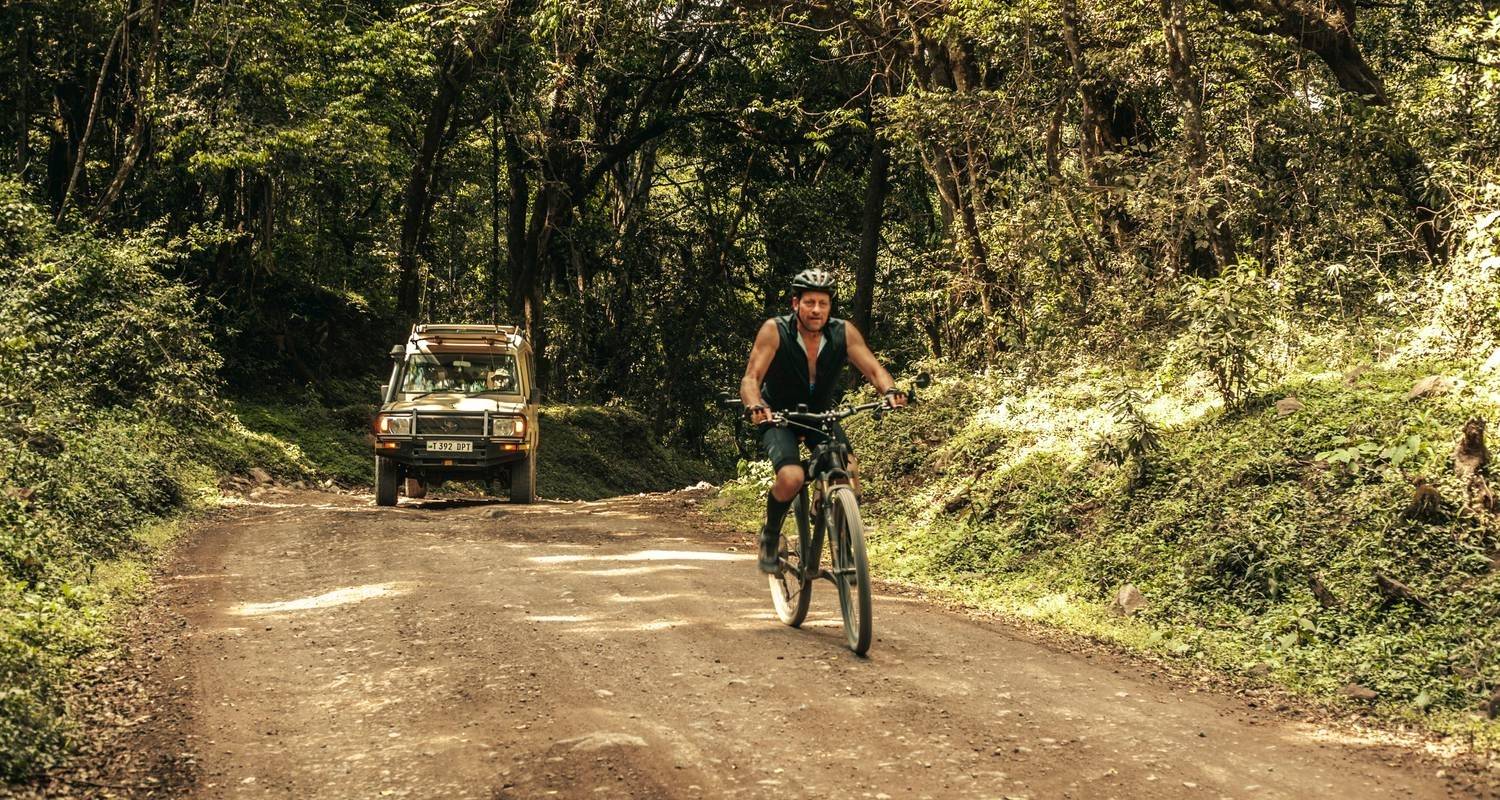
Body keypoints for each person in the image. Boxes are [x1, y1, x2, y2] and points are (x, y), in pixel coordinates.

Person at [739, 268, 906, 574]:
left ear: (830, 307)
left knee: (847, 470)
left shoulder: (843, 332)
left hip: (820, 416)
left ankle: (841, 541)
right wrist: (755, 405)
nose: (816, 309)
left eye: (823, 303)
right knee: (790, 478)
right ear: (795, 304)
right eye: (810, 302)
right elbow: (751, 377)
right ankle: (770, 534)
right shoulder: (775, 331)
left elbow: (873, 369)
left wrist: (891, 390)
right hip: (779, 416)